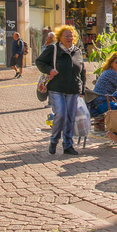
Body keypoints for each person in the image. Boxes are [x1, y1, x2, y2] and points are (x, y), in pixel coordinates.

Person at [35, 25, 86, 156]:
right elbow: (39, 61)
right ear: (60, 37)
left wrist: (82, 89)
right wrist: (49, 70)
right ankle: (54, 140)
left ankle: (68, 144)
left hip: (73, 89)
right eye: (66, 36)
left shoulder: (77, 51)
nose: (69, 38)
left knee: (70, 117)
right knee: (61, 114)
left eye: (71, 36)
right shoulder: (53, 49)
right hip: (56, 88)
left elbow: (82, 72)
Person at [91, 51, 117, 145]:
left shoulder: (111, 72)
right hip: (102, 103)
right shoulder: (111, 73)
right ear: (111, 63)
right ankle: (114, 134)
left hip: (103, 102)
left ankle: (114, 134)